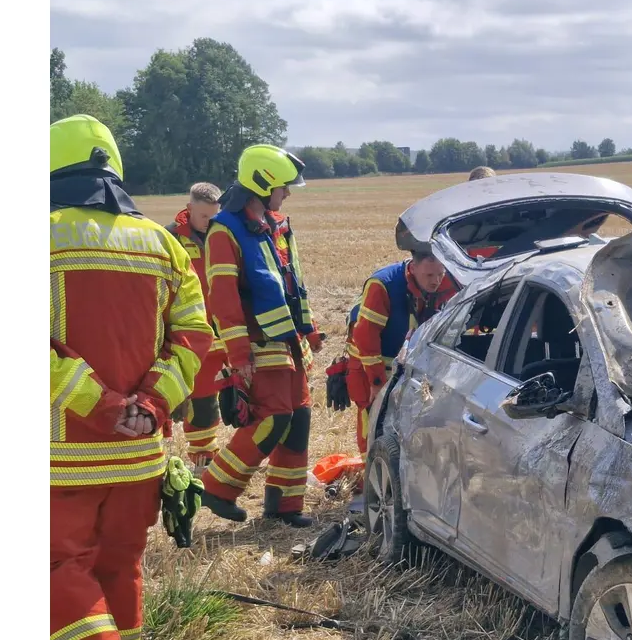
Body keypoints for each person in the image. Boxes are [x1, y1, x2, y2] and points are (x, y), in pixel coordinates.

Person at [50, 114, 213, 640]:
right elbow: (196, 337)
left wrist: (99, 404)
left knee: (56, 571)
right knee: (119, 571)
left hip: (59, 453)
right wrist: (148, 404)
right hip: (141, 455)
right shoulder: (162, 245)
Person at [198, 145, 324, 528]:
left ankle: (285, 506)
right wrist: (238, 353)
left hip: (289, 340)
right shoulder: (226, 230)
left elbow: (293, 283)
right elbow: (222, 296)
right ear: (263, 183)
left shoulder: (278, 225)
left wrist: (310, 329)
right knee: (273, 420)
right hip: (256, 344)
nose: (287, 194)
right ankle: (216, 488)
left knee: (298, 419)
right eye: (284, 187)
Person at [341, 251, 459, 451]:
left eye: (440, 274)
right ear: (413, 268)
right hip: (368, 366)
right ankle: (370, 472)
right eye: (429, 276)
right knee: (373, 423)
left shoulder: (447, 282)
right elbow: (365, 337)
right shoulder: (384, 285)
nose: (436, 281)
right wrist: (376, 382)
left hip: (406, 367)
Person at [166, 183, 225, 468]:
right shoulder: (170, 239)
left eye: (215, 217)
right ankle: (203, 464)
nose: (210, 224)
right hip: (192, 335)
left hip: (227, 331)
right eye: (204, 217)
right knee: (201, 402)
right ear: (188, 210)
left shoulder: (226, 236)